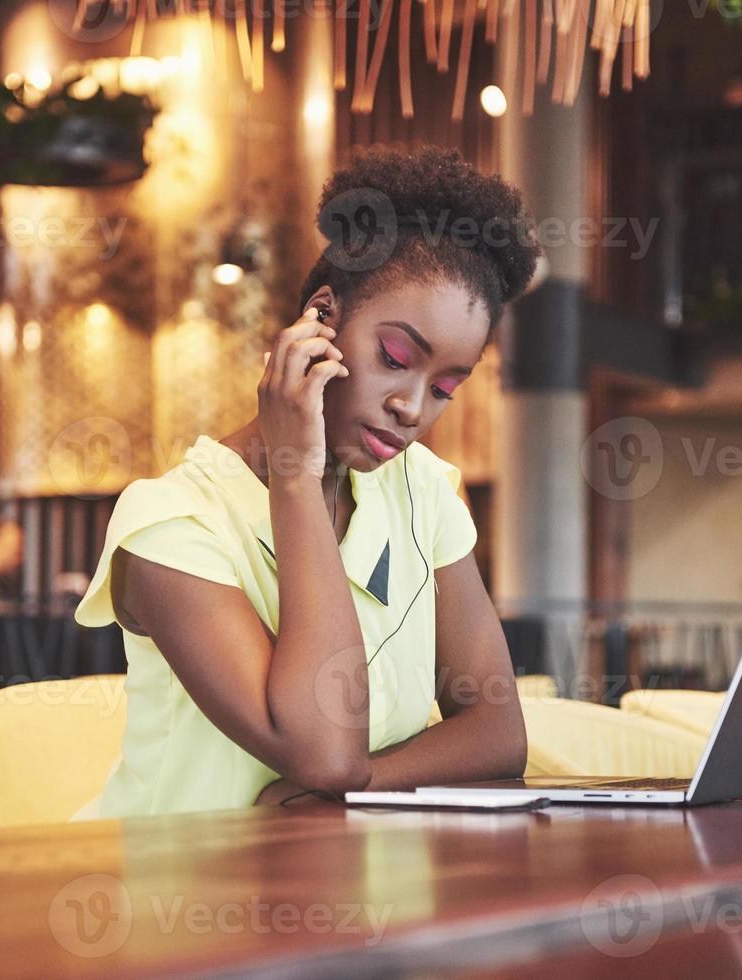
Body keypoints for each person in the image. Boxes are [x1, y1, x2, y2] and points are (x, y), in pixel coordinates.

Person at [72, 147, 535, 817]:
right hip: (179, 899)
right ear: (321, 318)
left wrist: (352, 790)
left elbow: (498, 734)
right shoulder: (169, 525)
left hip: (359, 892)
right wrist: (294, 474)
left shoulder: (422, 490)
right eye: (396, 358)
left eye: (444, 388)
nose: (412, 406)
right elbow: (325, 753)